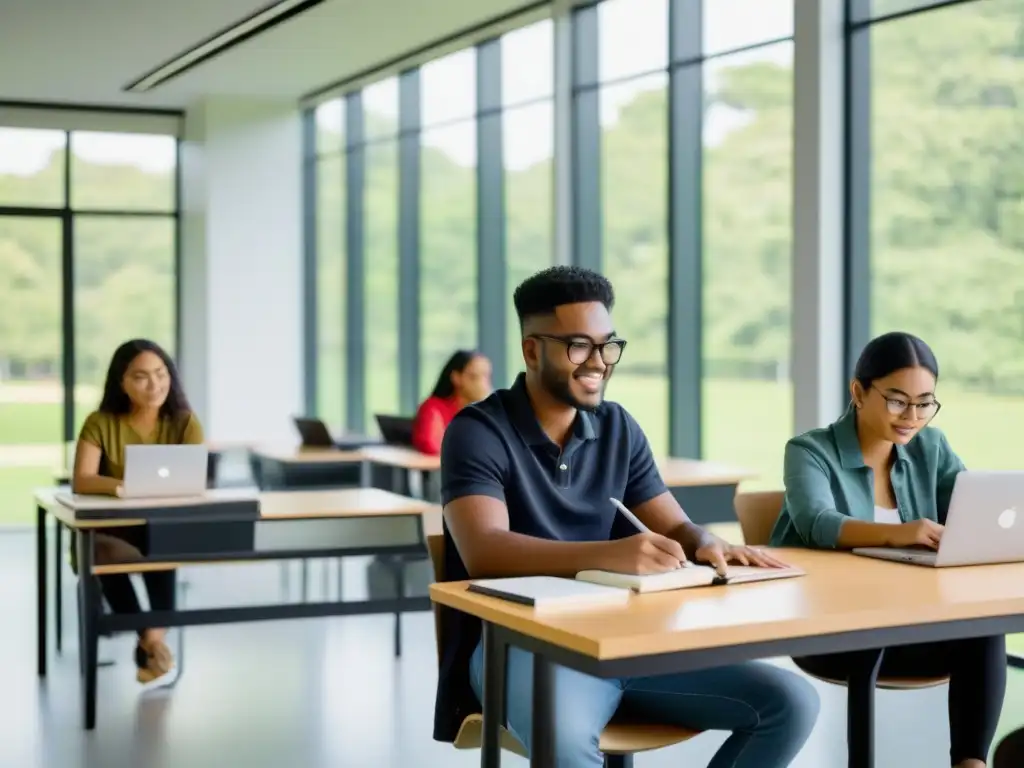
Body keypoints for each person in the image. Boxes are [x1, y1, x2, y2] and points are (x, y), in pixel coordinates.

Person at [434, 266, 819, 768]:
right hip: (523, 649)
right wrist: (615, 555)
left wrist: (706, 541)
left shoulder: (617, 426)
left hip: (624, 643)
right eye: (578, 346)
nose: (598, 362)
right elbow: (484, 551)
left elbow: (674, 525)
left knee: (790, 703)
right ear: (532, 350)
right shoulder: (477, 431)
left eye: (606, 345)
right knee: (566, 741)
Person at [770, 331, 1005, 768]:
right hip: (831, 628)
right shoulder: (809, 451)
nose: (912, 416)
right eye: (897, 400)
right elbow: (816, 524)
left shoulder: (931, 446)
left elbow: (971, 505)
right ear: (859, 391)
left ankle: (970, 763)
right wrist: (899, 533)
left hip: (910, 625)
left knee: (985, 627)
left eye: (924, 403)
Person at [72, 339, 204, 684]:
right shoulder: (100, 422)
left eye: (161, 374)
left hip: (163, 526)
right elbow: (83, 479)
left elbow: (194, 480)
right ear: (122, 382)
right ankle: (153, 642)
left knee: (164, 547)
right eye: (141, 377)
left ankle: (149, 644)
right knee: (100, 553)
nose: (155, 384)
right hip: (111, 528)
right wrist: (121, 487)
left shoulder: (185, 423)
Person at [411, 350, 492, 455]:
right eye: (474, 377)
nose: (482, 384)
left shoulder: (486, 414)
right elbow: (432, 445)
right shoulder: (433, 408)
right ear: (457, 378)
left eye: (487, 377)